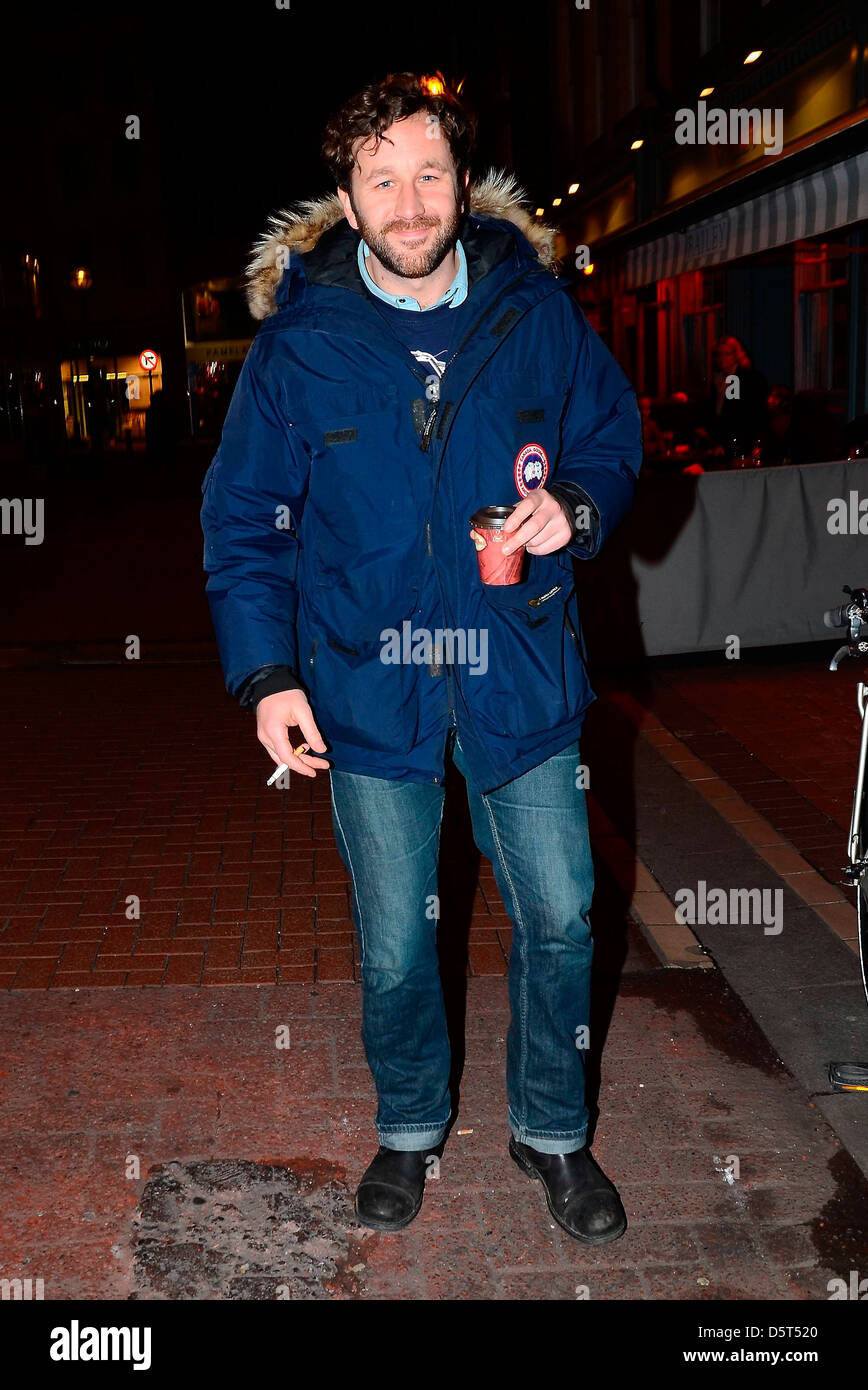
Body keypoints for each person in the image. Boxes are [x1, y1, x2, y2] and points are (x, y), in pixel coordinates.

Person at [200, 72, 642, 1241]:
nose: (410, 202)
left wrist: (578, 510)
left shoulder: (533, 310)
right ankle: (407, 1128)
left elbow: (610, 434)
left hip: (521, 675)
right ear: (346, 201)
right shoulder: (298, 348)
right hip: (366, 684)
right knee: (398, 944)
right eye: (381, 179)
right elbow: (244, 521)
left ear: (462, 183)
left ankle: (553, 1131)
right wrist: (266, 675)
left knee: (562, 917)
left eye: (429, 173)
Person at [707, 335, 768, 457]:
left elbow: (748, 416)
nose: (722, 358)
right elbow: (717, 415)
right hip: (724, 446)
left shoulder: (748, 378)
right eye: (719, 354)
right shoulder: (718, 379)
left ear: (736, 355)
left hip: (744, 445)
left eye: (726, 354)